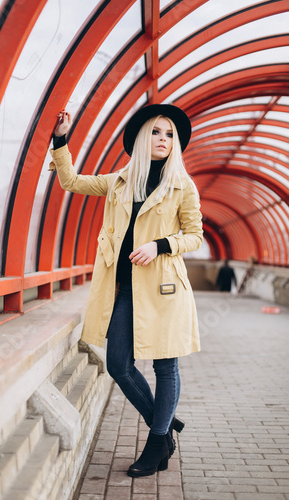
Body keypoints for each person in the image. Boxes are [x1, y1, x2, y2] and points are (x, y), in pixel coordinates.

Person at [49, 104, 203, 478]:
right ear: (141, 137)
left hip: (163, 289)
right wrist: (60, 140)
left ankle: (156, 442)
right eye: (156, 132)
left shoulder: (183, 185)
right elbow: (72, 182)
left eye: (169, 134)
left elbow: (194, 235)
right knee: (118, 364)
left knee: (166, 367)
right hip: (123, 289)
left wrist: (160, 245)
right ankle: (164, 429)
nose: (163, 139)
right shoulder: (120, 181)